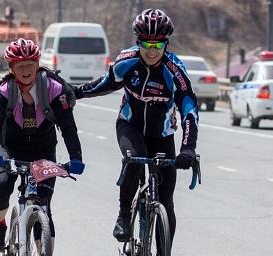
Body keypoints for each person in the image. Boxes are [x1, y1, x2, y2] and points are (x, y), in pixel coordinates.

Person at [72, 8, 199, 243]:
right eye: (146, 45)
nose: (151, 52)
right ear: (137, 42)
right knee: (134, 160)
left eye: (158, 46)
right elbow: (106, 83)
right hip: (129, 126)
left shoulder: (175, 70)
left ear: (166, 44)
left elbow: (189, 109)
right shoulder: (126, 61)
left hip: (162, 135)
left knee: (166, 201)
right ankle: (123, 215)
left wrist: (188, 148)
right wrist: (76, 93)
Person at [0, 38, 85, 253]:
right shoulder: (4, 91)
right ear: (11, 68)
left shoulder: (54, 89)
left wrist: (76, 157)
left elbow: (68, 126)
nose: (26, 70)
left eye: (30, 64)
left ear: (37, 64)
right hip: (9, 147)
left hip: (43, 148)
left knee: (43, 205)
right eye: (20, 66)